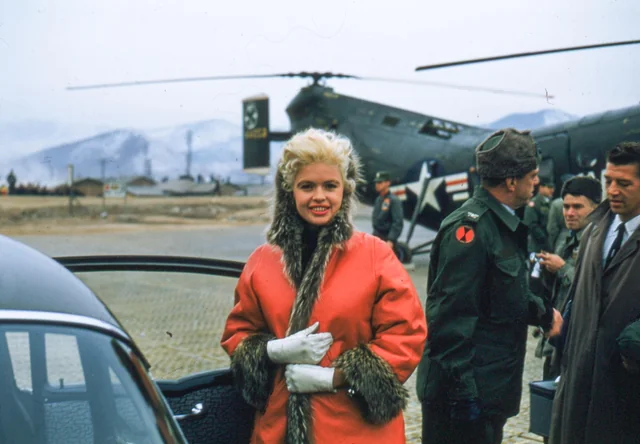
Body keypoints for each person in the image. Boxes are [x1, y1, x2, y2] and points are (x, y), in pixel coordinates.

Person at [221, 128, 427, 444]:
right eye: (307, 186)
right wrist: (271, 351)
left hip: (358, 431)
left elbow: (405, 335)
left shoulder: (376, 255)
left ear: (345, 190)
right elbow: (239, 332)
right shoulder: (262, 261)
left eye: (330, 185)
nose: (319, 196)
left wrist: (334, 377)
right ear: (289, 191)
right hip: (278, 428)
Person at [416, 128, 562, 444]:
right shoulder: (471, 230)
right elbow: (449, 322)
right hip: (464, 402)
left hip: (488, 392)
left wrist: (543, 313)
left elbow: (505, 292)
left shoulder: (502, 223)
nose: (536, 182)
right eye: (532, 175)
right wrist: (464, 397)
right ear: (511, 182)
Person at [550, 142, 640, 444]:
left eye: (624, 183)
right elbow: (574, 304)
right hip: (579, 387)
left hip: (627, 395)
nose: (613, 190)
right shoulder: (593, 231)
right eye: (609, 181)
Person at [534, 176, 601, 380]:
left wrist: (562, 268)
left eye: (577, 207)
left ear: (596, 208)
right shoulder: (568, 238)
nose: (569, 213)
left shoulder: (598, 241)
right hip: (558, 339)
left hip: (579, 342)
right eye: (566, 206)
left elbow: (594, 290)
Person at [372, 170, 404, 250]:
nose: (377, 185)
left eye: (380, 182)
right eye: (376, 182)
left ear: (388, 183)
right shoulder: (379, 199)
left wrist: (391, 240)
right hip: (376, 237)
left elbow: (398, 222)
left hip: (387, 240)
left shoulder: (394, 200)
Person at [524, 175, 555, 253]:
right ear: (541, 187)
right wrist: (544, 241)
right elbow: (532, 224)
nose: (552, 190)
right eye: (549, 187)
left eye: (553, 187)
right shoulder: (534, 203)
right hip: (538, 245)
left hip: (550, 242)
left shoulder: (552, 203)